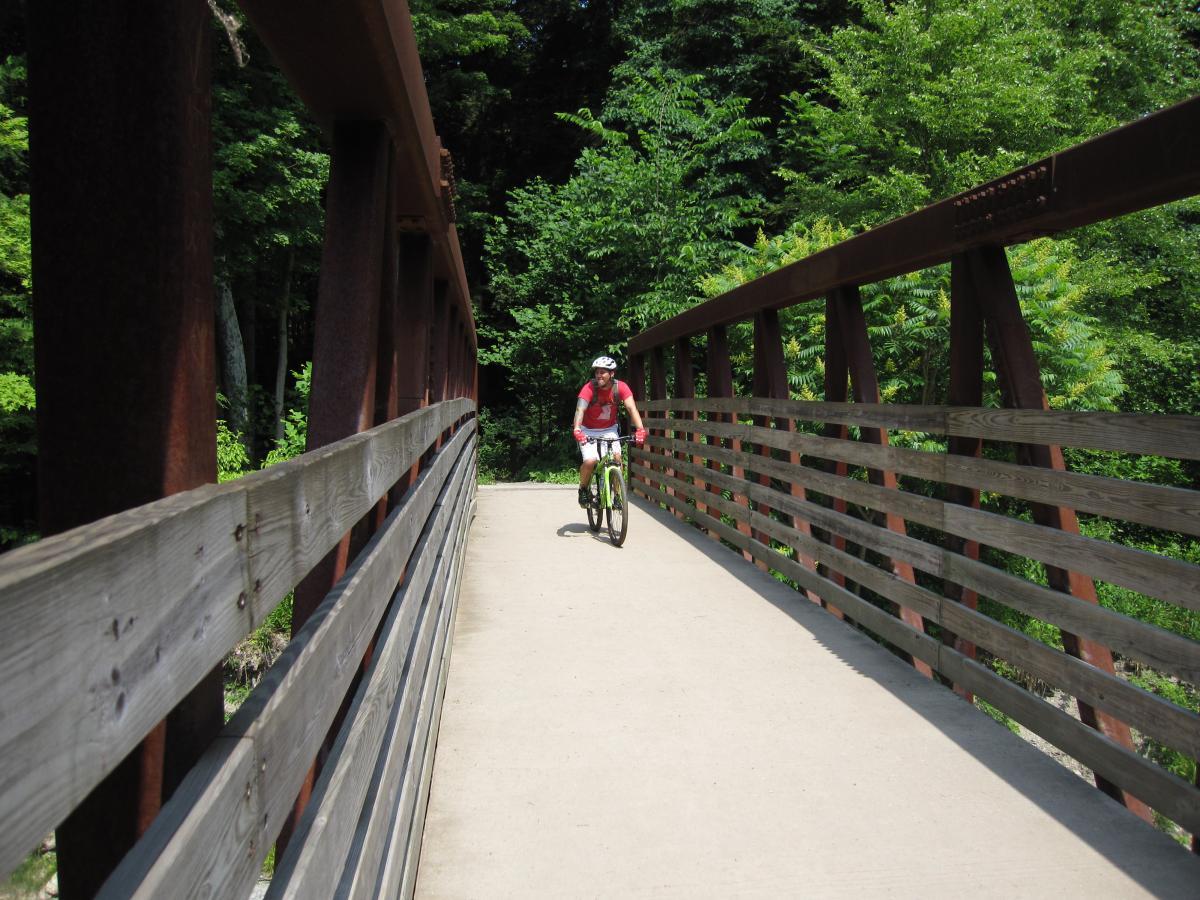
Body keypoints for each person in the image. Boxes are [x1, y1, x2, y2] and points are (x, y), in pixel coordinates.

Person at [572, 356, 647, 507]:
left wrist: (640, 429)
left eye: (602, 372)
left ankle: (617, 496)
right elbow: (580, 409)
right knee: (590, 461)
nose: (598, 375)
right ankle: (583, 489)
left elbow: (631, 408)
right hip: (587, 430)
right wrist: (577, 428)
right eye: (596, 372)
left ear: (612, 374)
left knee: (617, 459)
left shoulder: (621, 387)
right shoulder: (589, 388)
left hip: (609, 429)